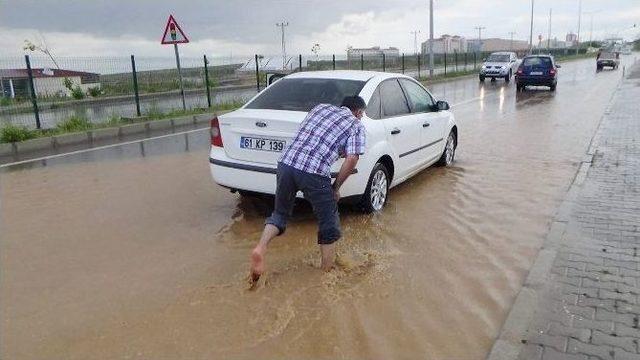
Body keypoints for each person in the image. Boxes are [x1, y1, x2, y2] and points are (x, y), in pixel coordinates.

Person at [250, 95, 367, 282]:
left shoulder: (320, 108)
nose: (361, 118)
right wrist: (335, 188)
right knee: (328, 220)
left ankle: (261, 248)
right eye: (362, 115)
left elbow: (314, 137)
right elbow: (352, 159)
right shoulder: (356, 124)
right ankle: (326, 275)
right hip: (314, 171)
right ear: (358, 112)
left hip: (286, 164)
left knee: (280, 214)